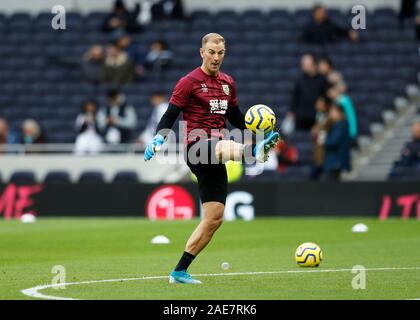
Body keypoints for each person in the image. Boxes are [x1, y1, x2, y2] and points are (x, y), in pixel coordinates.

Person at [143, 33, 280, 284]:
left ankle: (179, 271)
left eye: (220, 53)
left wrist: (261, 130)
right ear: (202, 53)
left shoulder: (228, 82)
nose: (216, 57)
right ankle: (253, 153)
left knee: (214, 218)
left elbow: (237, 118)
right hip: (197, 147)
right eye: (212, 52)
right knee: (221, 145)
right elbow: (170, 114)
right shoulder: (188, 82)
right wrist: (158, 138)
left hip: (217, 154)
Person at [287, 54, 327, 131]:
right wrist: (292, 111)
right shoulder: (299, 79)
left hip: (316, 117)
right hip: (301, 117)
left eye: (306, 64)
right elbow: (295, 97)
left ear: (314, 65)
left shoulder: (322, 80)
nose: (303, 66)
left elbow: (324, 98)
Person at [323, 104, 351, 181]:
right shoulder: (335, 124)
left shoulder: (341, 125)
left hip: (335, 162)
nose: (330, 113)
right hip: (333, 162)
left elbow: (334, 141)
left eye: (333, 111)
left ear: (339, 112)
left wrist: (323, 140)